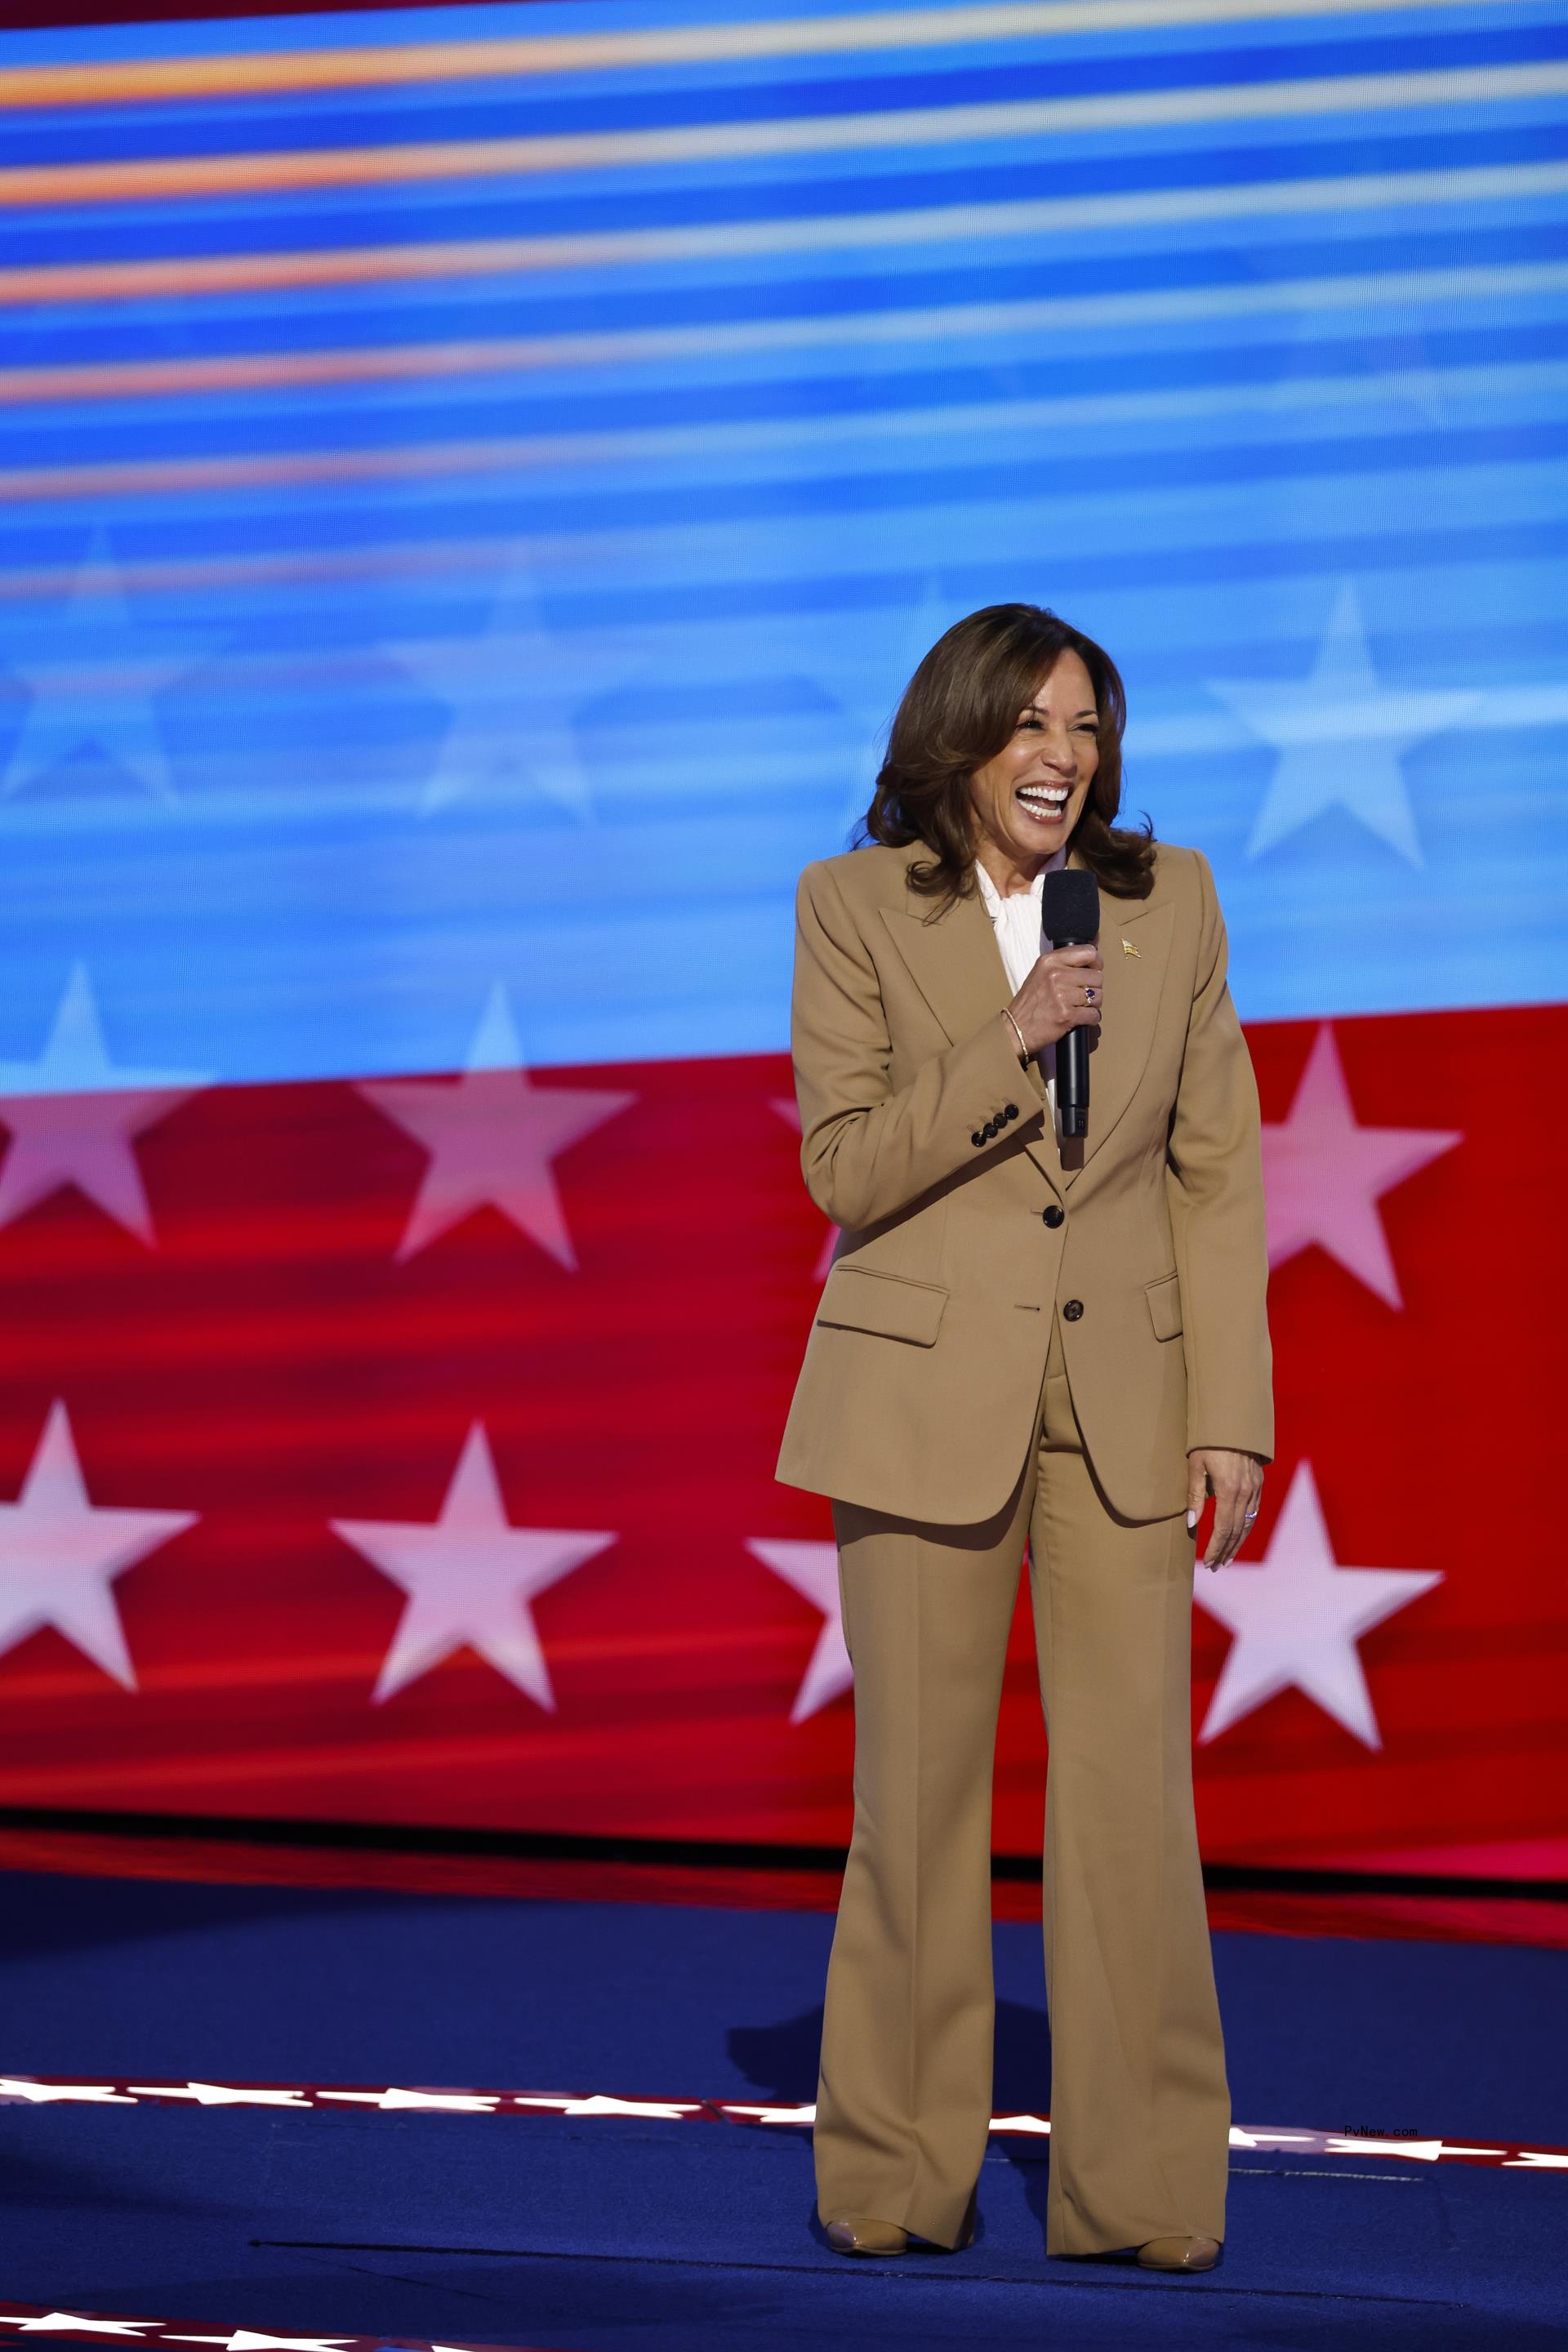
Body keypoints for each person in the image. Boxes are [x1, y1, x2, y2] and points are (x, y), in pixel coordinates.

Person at [775, 602, 1272, 2273]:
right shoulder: (851, 906)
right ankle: (897, 2174)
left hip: (1127, 1407)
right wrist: (1012, 1044)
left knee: (1134, 1807)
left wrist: (1234, 1423)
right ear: (959, 735)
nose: (1064, 755)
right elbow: (844, 1168)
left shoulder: (1171, 900)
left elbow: (1217, 1173)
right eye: (1035, 723)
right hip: (920, 1401)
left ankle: (1138, 2193)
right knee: (913, 1803)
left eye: (1088, 726)